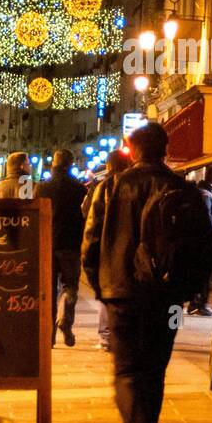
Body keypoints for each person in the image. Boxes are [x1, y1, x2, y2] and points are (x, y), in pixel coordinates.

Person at [82, 124, 193, 423]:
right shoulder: (180, 187)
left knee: (127, 372)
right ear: (165, 149)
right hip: (165, 296)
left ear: (131, 149)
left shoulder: (112, 186)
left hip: (122, 292)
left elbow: (92, 240)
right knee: (154, 371)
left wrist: (100, 284)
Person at [36, 149, 87, 347]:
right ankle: (65, 318)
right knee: (70, 285)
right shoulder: (79, 189)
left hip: (47, 243)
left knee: (48, 290)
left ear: (53, 165)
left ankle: (48, 337)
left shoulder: (42, 188)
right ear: (71, 164)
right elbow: (85, 216)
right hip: (70, 244)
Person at [83, 150, 132, 353]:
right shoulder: (136, 183)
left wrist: (88, 262)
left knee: (108, 292)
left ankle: (106, 337)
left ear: (109, 166)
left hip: (107, 247)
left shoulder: (104, 186)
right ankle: (125, 335)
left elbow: (90, 219)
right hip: (132, 249)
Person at [187, 166, 212, 316]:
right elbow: (208, 220)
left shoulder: (196, 192)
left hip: (192, 242)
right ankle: (199, 304)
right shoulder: (207, 195)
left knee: (197, 272)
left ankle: (194, 303)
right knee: (204, 273)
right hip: (203, 242)